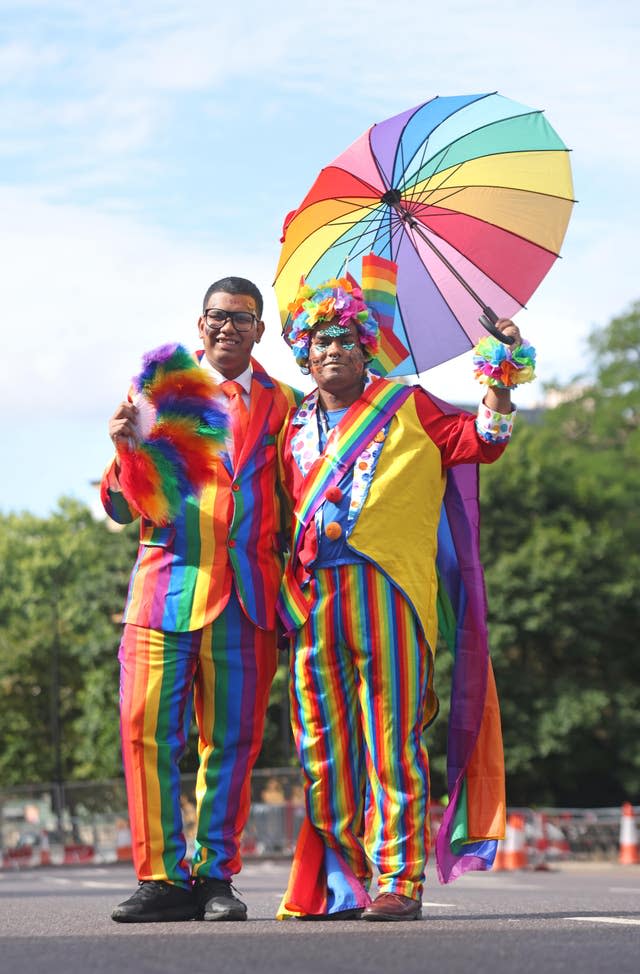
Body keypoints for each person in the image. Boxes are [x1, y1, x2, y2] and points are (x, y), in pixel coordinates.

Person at [275, 274, 524, 921]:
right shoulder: (294, 425)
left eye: (348, 339)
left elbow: (486, 440)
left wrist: (498, 369)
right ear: (304, 350)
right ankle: (346, 875)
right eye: (321, 339)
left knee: (391, 742)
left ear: (367, 349)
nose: (334, 349)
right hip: (311, 605)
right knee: (321, 753)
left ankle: (398, 881)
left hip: (390, 596)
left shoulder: (410, 405)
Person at [101, 277, 300, 923]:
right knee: (145, 733)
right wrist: (123, 450)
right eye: (218, 316)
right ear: (200, 323)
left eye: (242, 318)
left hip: (248, 598)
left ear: (259, 331)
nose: (228, 327)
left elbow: (300, 497)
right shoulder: (160, 395)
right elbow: (117, 506)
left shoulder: (287, 405)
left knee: (233, 743)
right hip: (165, 591)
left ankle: (216, 877)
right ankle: (160, 878)